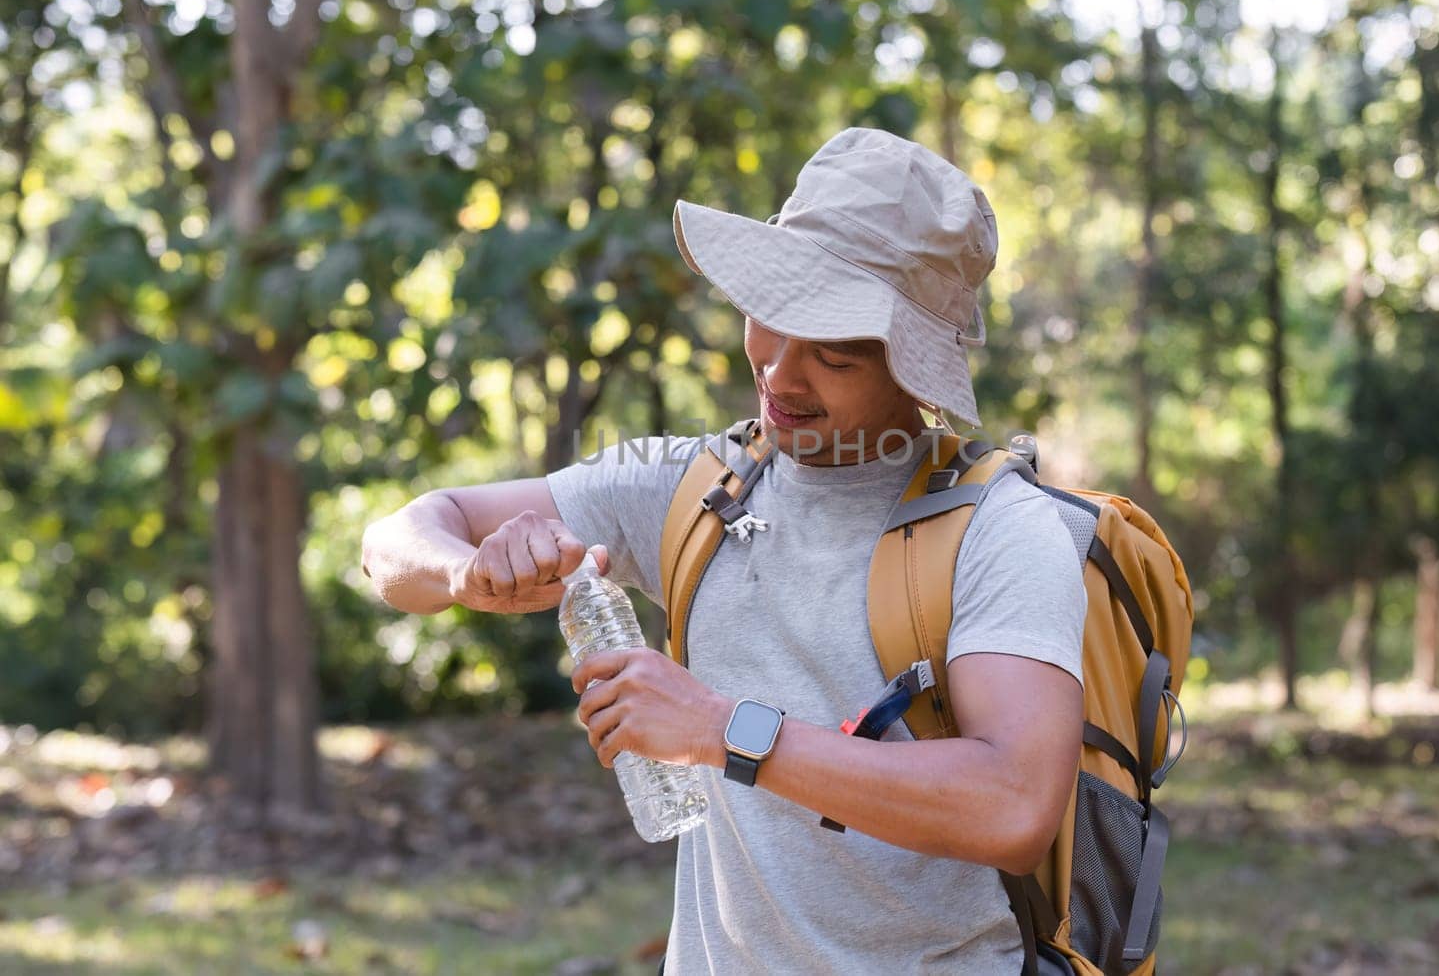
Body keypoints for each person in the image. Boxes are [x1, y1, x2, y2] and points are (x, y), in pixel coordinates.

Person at [362, 127, 1087, 974]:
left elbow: (1014, 804)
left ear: (913, 368)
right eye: (770, 317)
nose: (778, 373)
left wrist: (722, 729)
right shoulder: (686, 486)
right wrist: (468, 571)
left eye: (834, 351)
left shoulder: (998, 527)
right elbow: (395, 541)